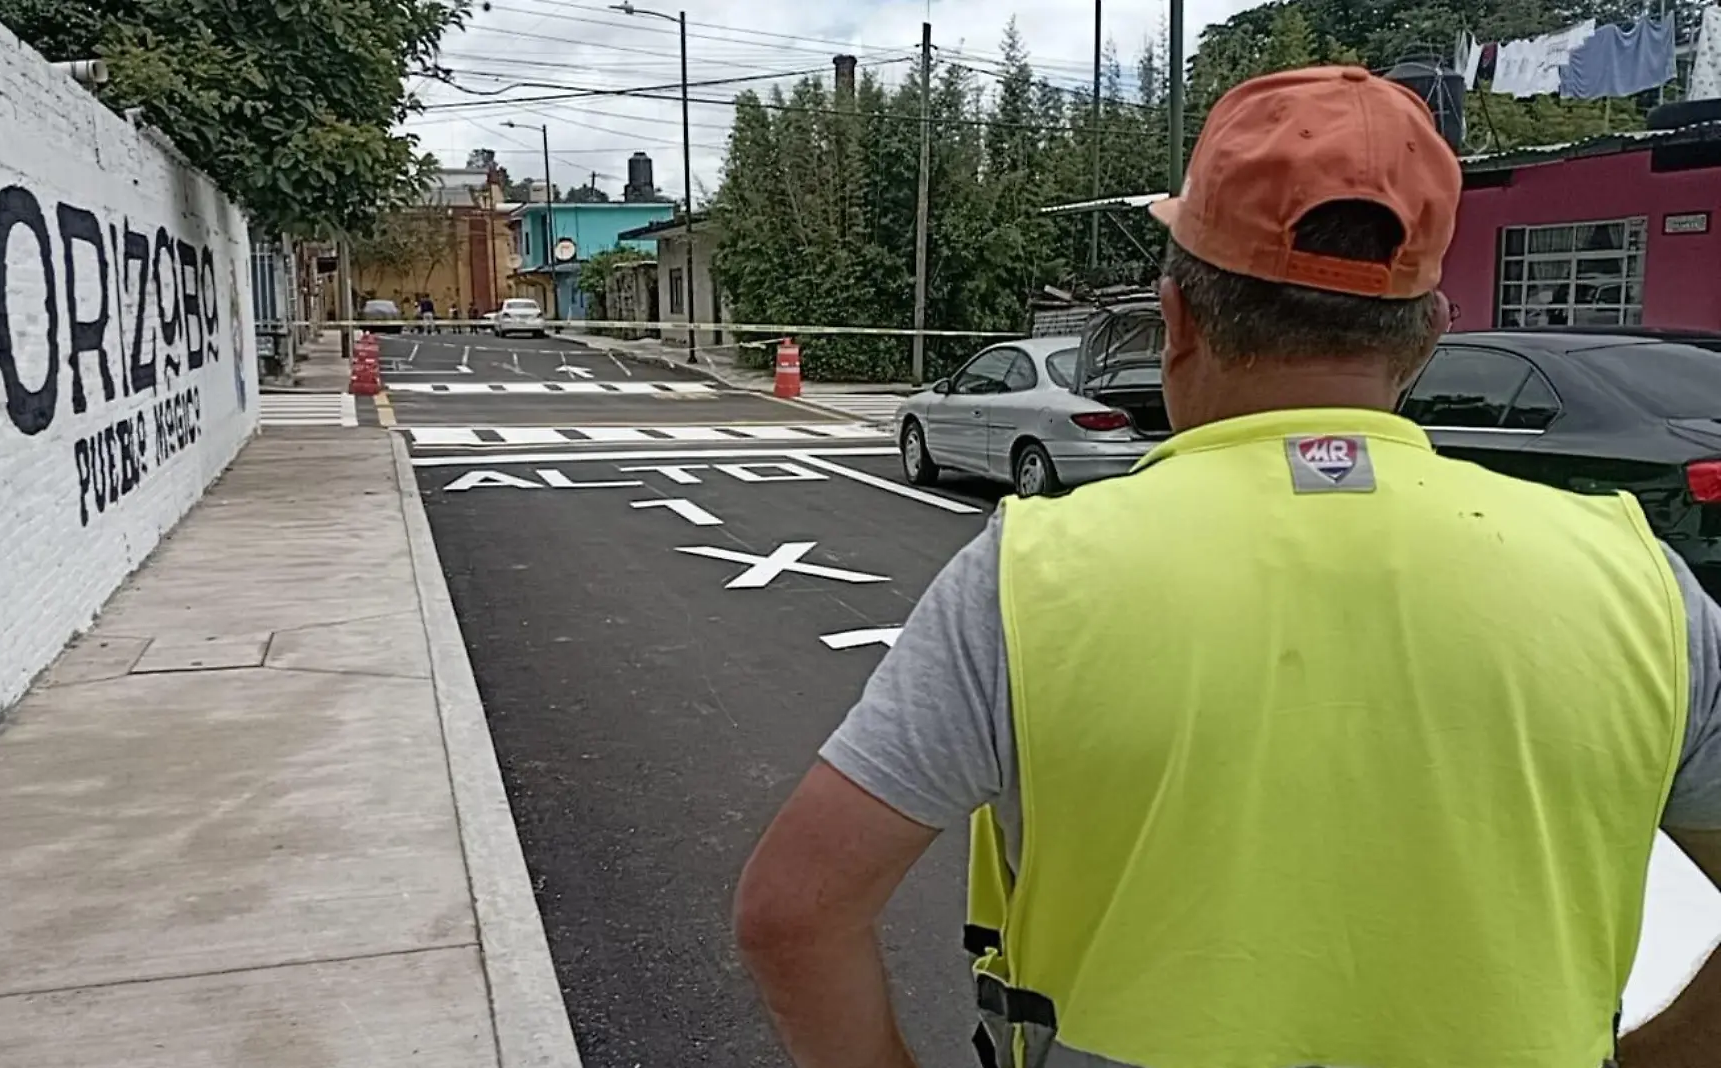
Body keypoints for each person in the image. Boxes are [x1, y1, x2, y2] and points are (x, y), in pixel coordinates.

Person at [734, 65, 1721, 1068]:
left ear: (1178, 317)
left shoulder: (1032, 575)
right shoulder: (1637, 584)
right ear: (1426, 338)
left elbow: (794, 914)